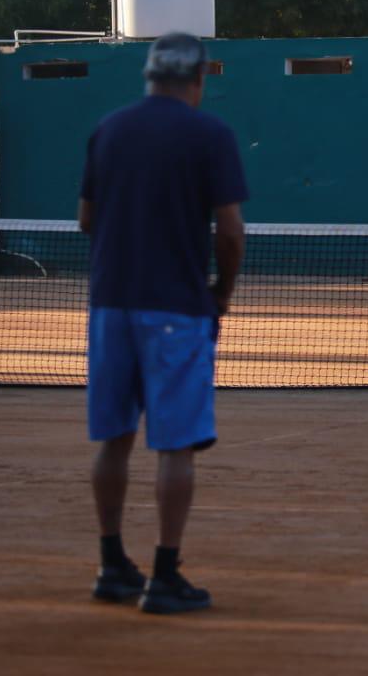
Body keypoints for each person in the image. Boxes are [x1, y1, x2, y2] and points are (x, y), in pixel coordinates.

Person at [79, 33, 247, 615]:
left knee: (113, 439)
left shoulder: (109, 130)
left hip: (109, 306)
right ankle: (165, 575)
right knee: (175, 446)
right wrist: (220, 295)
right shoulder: (210, 134)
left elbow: (86, 220)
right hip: (176, 308)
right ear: (198, 79)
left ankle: (110, 566)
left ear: (149, 76)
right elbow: (230, 231)